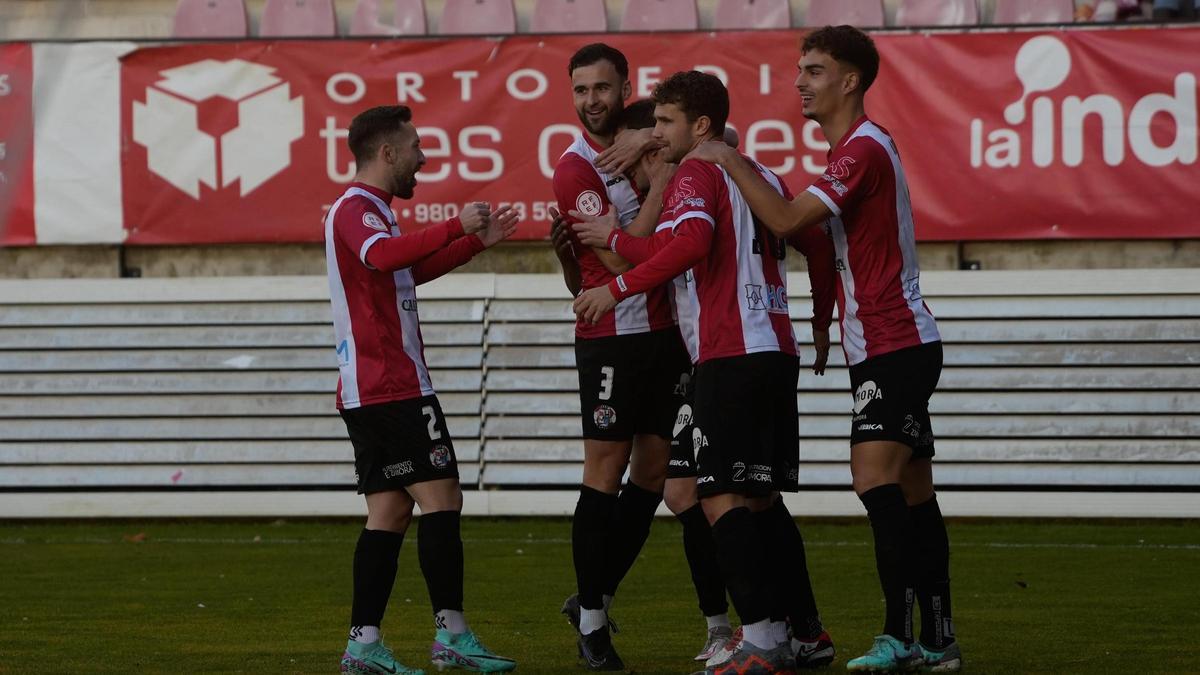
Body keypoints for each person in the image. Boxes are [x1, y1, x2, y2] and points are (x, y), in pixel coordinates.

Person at [686, 25, 961, 672]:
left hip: (894, 341)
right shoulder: (855, 150)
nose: (799, 82)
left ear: (850, 80)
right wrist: (820, 321)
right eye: (799, 69)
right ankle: (939, 638)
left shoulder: (860, 149)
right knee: (913, 492)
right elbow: (821, 246)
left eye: (813, 70)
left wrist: (727, 158)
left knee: (874, 480)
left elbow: (786, 221)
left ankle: (897, 637)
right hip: (889, 342)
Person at [573, 70, 831, 675]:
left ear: (702, 126)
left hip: (730, 353)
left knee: (717, 497)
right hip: (775, 348)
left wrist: (615, 279)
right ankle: (803, 632)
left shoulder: (697, 172)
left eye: (665, 123)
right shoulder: (763, 175)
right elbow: (818, 244)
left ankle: (761, 637)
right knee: (755, 498)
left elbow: (687, 245)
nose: (655, 135)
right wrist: (822, 321)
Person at [325, 104, 519, 675]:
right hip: (392, 386)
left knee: (389, 513)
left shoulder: (373, 210)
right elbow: (383, 256)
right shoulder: (356, 208)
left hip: (373, 388)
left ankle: (363, 645)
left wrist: (476, 243)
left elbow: (404, 271)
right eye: (415, 147)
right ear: (387, 152)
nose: (423, 157)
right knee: (443, 499)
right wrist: (457, 225)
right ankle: (452, 636)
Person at [550, 44, 694, 671]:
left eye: (602, 88)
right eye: (581, 90)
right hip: (611, 334)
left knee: (654, 474)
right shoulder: (575, 169)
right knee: (604, 471)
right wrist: (658, 183)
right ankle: (592, 624)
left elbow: (722, 137)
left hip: (666, 334)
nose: (591, 101)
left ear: (626, 87)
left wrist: (646, 143)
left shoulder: (653, 138)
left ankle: (594, 597)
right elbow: (615, 259)